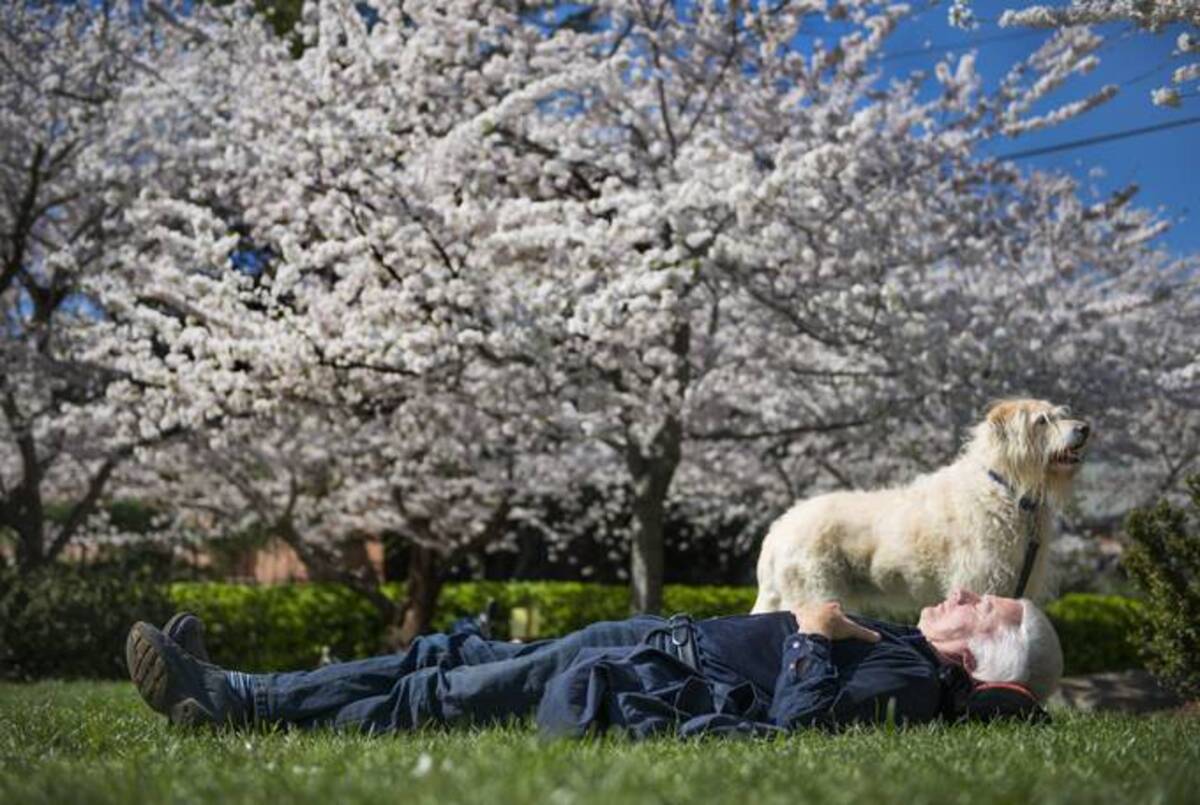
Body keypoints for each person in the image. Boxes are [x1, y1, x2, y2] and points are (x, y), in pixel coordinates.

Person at [125, 588, 1063, 739]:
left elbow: (800, 723)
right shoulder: (903, 650)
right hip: (661, 637)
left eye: (986, 604)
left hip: (659, 664)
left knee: (444, 694)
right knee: (449, 653)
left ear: (984, 650)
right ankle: (248, 686)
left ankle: (236, 699)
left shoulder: (907, 680)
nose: (965, 593)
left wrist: (818, 630)